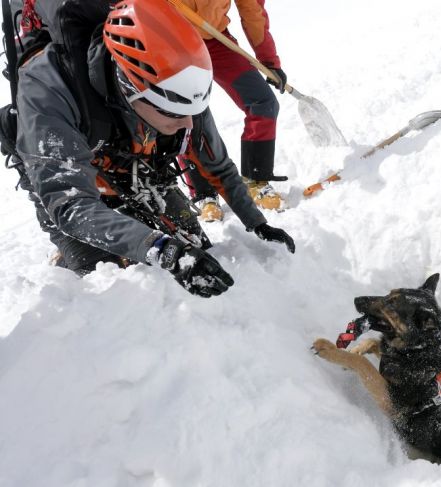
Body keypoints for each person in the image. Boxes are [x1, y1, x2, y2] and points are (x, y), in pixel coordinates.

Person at [12, 0, 295, 298]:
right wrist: (160, 249)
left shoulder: (176, 83)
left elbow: (218, 167)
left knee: (198, 253)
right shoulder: (48, 91)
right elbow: (71, 205)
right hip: (73, 182)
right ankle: (68, 260)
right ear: (131, 91)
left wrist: (257, 224)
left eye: (193, 111)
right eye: (173, 113)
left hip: (137, 167)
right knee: (112, 285)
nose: (188, 123)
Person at [178, 0, 288, 221]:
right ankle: (204, 193)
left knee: (263, 103)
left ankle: (255, 180)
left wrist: (268, 59)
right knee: (185, 114)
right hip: (174, 44)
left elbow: (252, 10)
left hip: (216, 39)